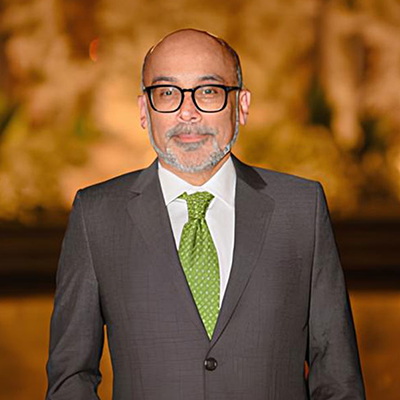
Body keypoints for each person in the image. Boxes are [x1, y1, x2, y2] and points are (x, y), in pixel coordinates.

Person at [45, 29, 366, 400]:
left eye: (208, 91)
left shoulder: (301, 208)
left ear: (241, 105)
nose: (187, 112)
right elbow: (71, 378)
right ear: (144, 111)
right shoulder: (97, 215)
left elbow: (337, 376)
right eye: (167, 93)